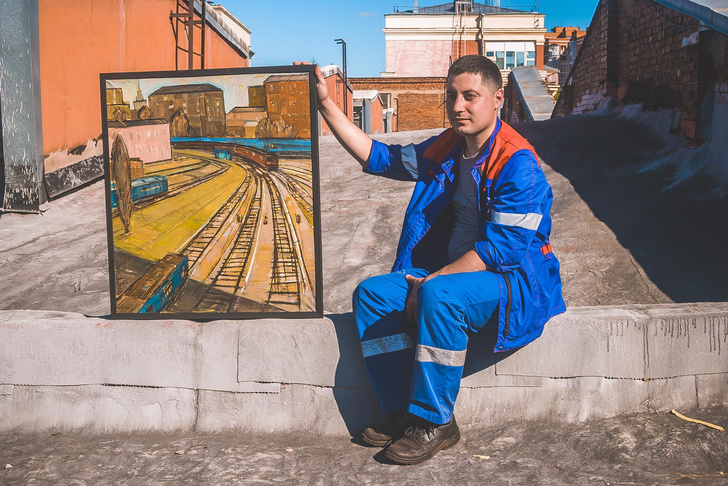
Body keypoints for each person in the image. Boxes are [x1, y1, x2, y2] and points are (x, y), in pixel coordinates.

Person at [300, 55, 565, 465]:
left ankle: (437, 422)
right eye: (452, 96)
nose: (458, 106)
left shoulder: (518, 164)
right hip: (452, 276)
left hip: (512, 283)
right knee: (371, 294)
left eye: (470, 97)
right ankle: (402, 410)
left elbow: (503, 250)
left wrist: (429, 283)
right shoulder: (447, 148)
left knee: (439, 295)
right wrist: (324, 105)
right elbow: (380, 158)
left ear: (497, 99)